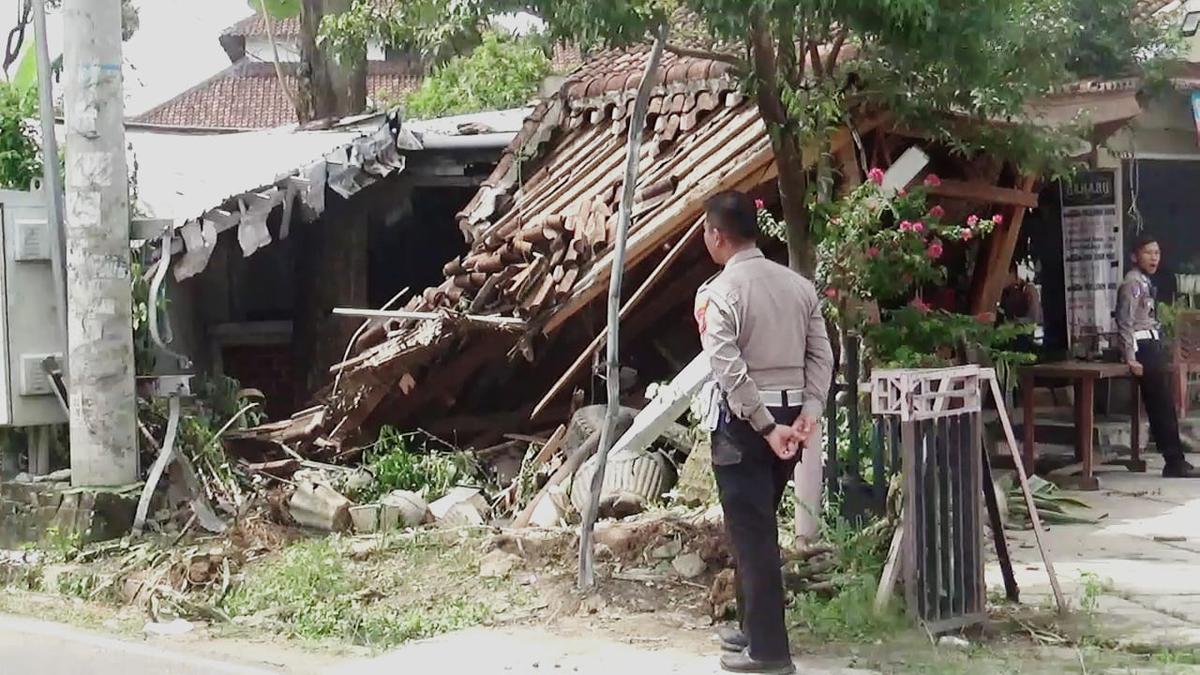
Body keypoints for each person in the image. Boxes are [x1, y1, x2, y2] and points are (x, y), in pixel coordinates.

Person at [694, 190, 834, 674]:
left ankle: (769, 653)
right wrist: (808, 411)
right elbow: (822, 356)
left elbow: (728, 367)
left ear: (716, 235)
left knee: (753, 537)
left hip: (746, 428)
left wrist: (764, 425)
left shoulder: (719, 294)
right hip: (791, 419)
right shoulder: (799, 287)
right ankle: (755, 630)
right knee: (757, 528)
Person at [1116, 234, 1196, 478]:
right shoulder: (1132, 283)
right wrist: (1130, 357)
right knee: (1160, 404)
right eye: (1148, 252)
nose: (1154, 257)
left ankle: (1176, 459)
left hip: (1151, 344)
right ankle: (1173, 461)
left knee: (1164, 403)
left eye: (1157, 253)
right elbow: (1125, 321)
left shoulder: (1144, 281)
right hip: (1142, 349)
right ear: (1134, 256)